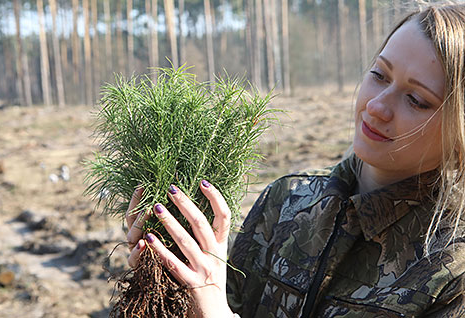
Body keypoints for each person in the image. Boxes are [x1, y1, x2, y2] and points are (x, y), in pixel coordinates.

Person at [125, 3, 465, 318]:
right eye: (379, 75)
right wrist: (173, 278)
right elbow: (220, 302)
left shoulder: (452, 272)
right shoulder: (286, 199)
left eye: (416, 99)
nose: (376, 106)